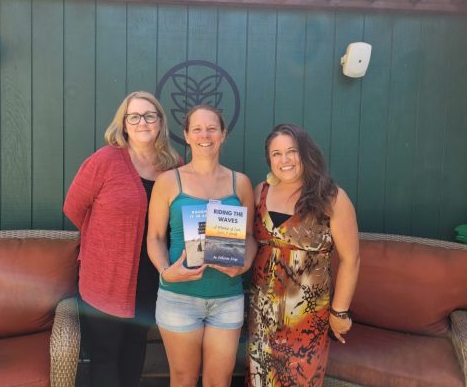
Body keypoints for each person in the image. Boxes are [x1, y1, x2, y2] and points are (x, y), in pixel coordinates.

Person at [63, 91, 180, 387]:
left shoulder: (173, 165)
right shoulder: (104, 160)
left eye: (150, 115)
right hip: (105, 278)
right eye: (134, 116)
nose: (142, 122)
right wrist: (106, 242)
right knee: (104, 355)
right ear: (124, 124)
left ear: (160, 122)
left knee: (135, 347)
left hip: (151, 276)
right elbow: (73, 208)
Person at [147, 105, 257, 387]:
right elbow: (155, 237)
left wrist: (244, 263)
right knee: (183, 379)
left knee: (219, 381)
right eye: (197, 129)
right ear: (186, 135)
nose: (204, 135)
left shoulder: (240, 183)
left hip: (227, 298)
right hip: (179, 298)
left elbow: (249, 237)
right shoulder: (169, 181)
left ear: (223, 134)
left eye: (211, 129)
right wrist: (165, 271)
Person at [246, 123, 360, 387]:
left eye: (291, 151)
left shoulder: (331, 197)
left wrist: (339, 312)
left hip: (306, 317)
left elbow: (351, 260)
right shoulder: (260, 191)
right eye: (276, 154)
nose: (284, 160)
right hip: (262, 311)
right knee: (260, 378)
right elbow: (250, 238)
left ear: (305, 153)